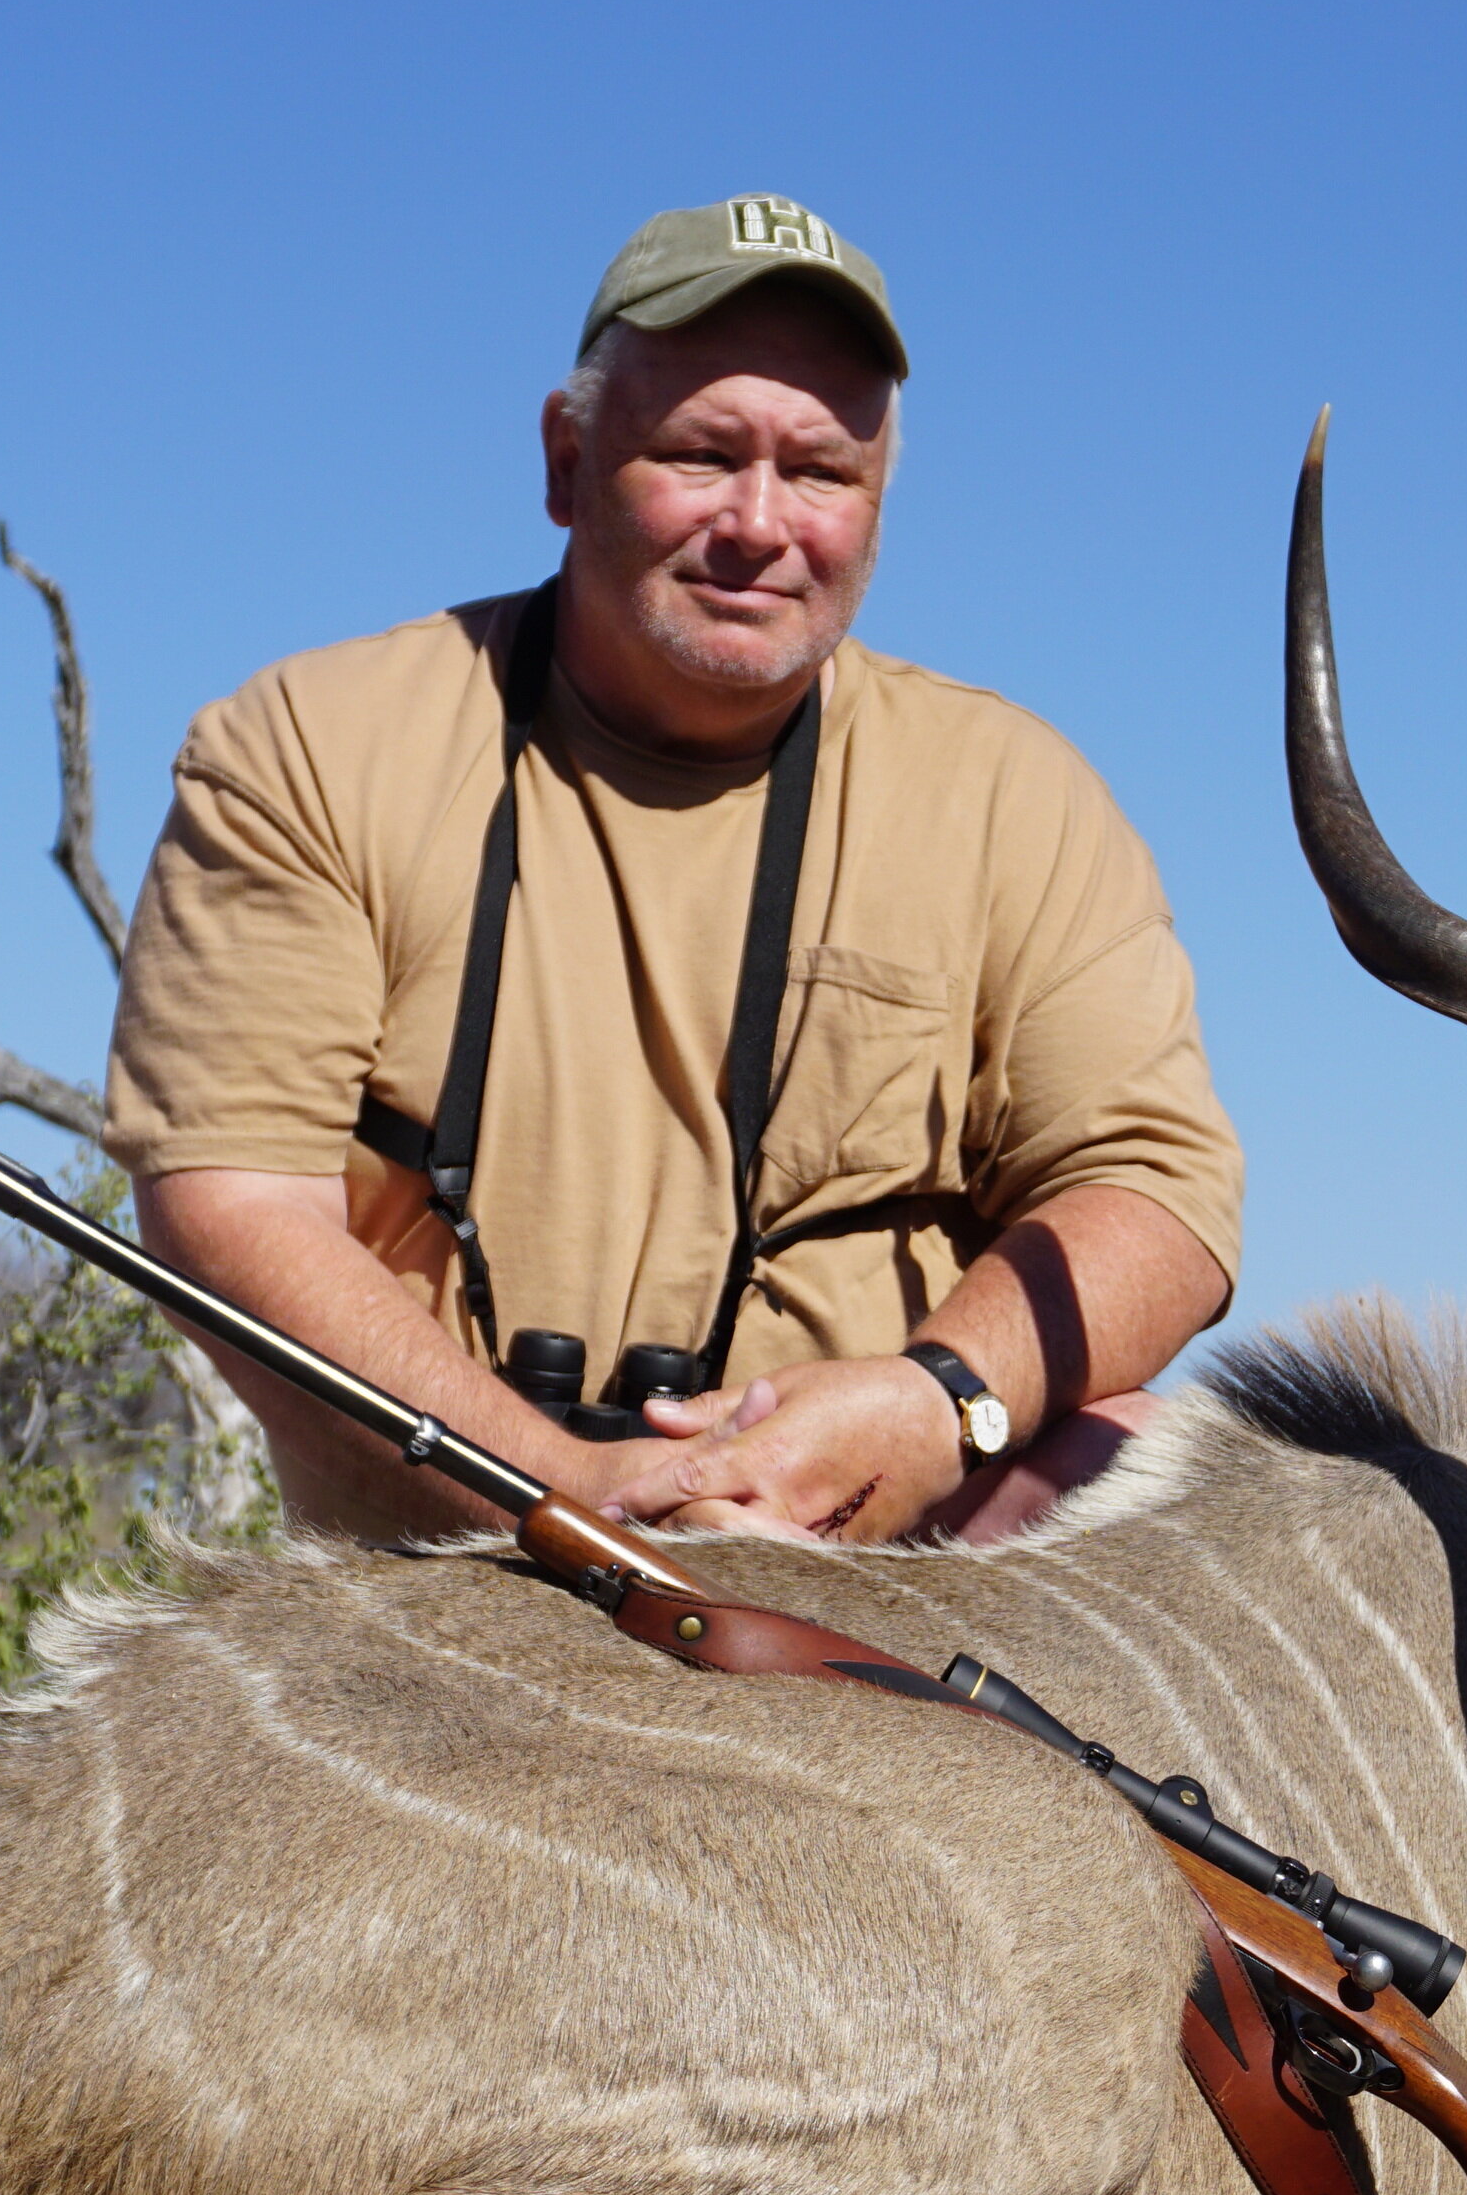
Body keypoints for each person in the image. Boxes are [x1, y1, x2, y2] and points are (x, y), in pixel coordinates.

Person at [102, 194, 1240, 1545]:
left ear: (879, 507)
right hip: (442, 1545)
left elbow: (1155, 1195)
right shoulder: (307, 746)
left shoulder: (1018, 795)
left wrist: (936, 1407)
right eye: (702, 454)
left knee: (1201, 1482)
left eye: (821, 474)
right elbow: (232, 1202)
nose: (761, 524)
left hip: (888, 1550)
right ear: (566, 460)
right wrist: (570, 1491)